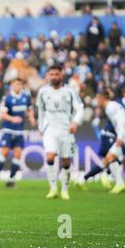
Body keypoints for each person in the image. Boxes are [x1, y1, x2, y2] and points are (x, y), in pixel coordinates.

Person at [78, 85, 125, 193]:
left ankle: (119, 183)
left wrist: (120, 136)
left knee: (109, 157)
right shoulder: (115, 105)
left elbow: (120, 121)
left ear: (102, 98)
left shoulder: (110, 107)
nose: (97, 101)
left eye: (97, 99)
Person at [36, 64, 84, 200]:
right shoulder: (43, 91)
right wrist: (41, 127)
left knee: (66, 161)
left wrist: (75, 122)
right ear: (47, 76)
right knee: (50, 156)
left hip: (66, 129)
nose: (54, 77)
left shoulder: (69, 91)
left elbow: (80, 108)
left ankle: (64, 189)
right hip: (50, 129)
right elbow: (40, 111)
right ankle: (52, 188)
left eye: (56, 74)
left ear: (62, 75)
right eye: (51, 74)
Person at [0, 78, 36, 188]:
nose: (18, 86)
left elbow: (30, 109)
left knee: (18, 155)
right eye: (16, 84)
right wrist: (13, 119)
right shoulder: (7, 98)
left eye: (19, 84)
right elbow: (3, 114)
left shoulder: (26, 97)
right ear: (12, 85)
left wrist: (31, 117)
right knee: (5, 153)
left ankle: (11, 179)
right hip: (8, 130)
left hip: (19, 131)